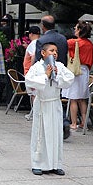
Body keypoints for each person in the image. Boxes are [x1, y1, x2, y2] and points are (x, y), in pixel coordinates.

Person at [26, 41, 75, 176]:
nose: (54, 53)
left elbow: (69, 79)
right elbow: (29, 81)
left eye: (56, 51)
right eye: (51, 50)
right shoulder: (36, 67)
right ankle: (37, 163)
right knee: (40, 134)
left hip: (54, 103)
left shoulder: (59, 66)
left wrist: (57, 75)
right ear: (43, 53)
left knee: (56, 134)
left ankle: (56, 163)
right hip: (42, 103)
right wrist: (45, 76)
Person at [38, 15, 72, 139]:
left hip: (47, 72)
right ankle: (63, 121)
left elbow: (39, 59)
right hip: (60, 71)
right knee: (57, 97)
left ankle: (51, 124)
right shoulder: (63, 38)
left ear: (43, 26)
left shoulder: (42, 41)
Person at [63, 21, 93, 130]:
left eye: (76, 28)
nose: (74, 30)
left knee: (73, 98)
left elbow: (64, 44)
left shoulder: (73, 42)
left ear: (80, 30)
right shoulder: (89, 44)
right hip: (84, 70)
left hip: (75, 70)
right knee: (82, 98)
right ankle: (84, 122)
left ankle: (74, 123)